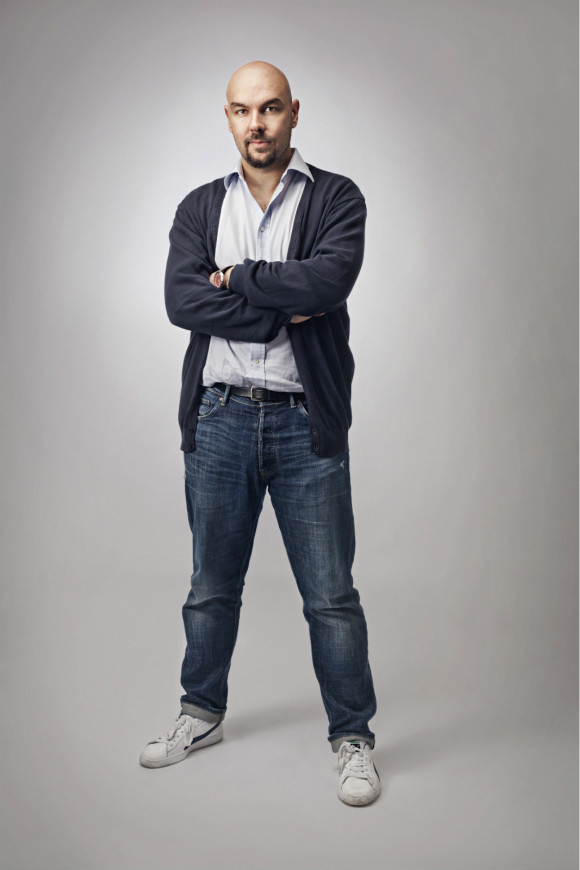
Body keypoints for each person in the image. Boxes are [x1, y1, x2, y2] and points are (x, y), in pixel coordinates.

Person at [139, 60, 380, 806]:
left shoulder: (336, 197)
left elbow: (329, 281)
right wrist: (280, 304)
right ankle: (200, 713)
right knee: (211, 585)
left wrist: (237, 276)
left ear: (293, 113)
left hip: (306, 421)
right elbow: (182, 301)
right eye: (243, 110)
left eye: (270, 108)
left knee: (330, 595)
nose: (257, 123)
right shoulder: (199, 206)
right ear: (228, 118)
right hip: (220, 417)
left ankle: (353, 739)